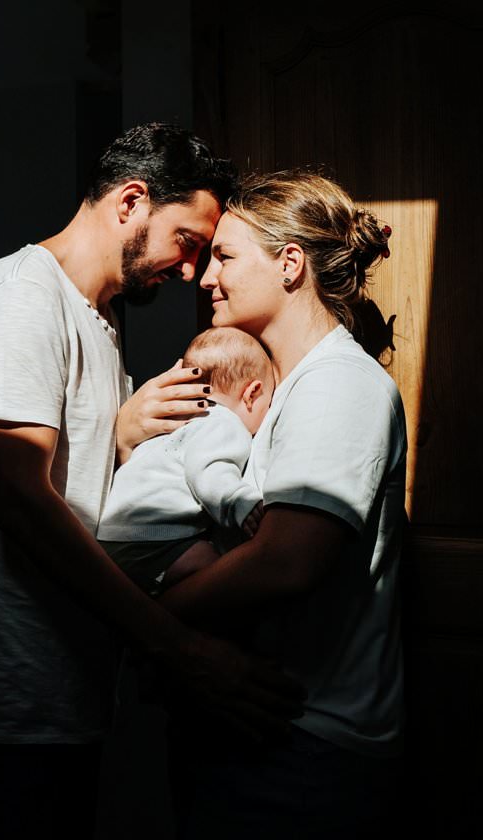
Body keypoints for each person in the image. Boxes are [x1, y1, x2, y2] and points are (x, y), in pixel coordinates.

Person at [0, 123, 304, 839]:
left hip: (61, 676)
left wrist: (120, 432)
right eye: (186, 241)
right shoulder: (23, 293)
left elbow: (66, 475)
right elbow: (21, 499)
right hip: (4, 686)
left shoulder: (100, 318)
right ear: (131, 202)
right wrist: (175, 645)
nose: (190, 272)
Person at [160, 167, 405, 838]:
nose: (207, 276)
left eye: (226, 257)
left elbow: (288, 560)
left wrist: (154, 622)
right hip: (266, 731)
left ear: (290, 264)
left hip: (308, 747)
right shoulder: (289, 387)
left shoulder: (339, 387)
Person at [95, 326, 274, 597]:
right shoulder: (224, 423)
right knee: (222, 573)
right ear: (252, 394)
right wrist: (241, 502)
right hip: (157, 538)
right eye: (268, 403)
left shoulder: (174, 422)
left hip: (113, 535)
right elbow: (209, 471)